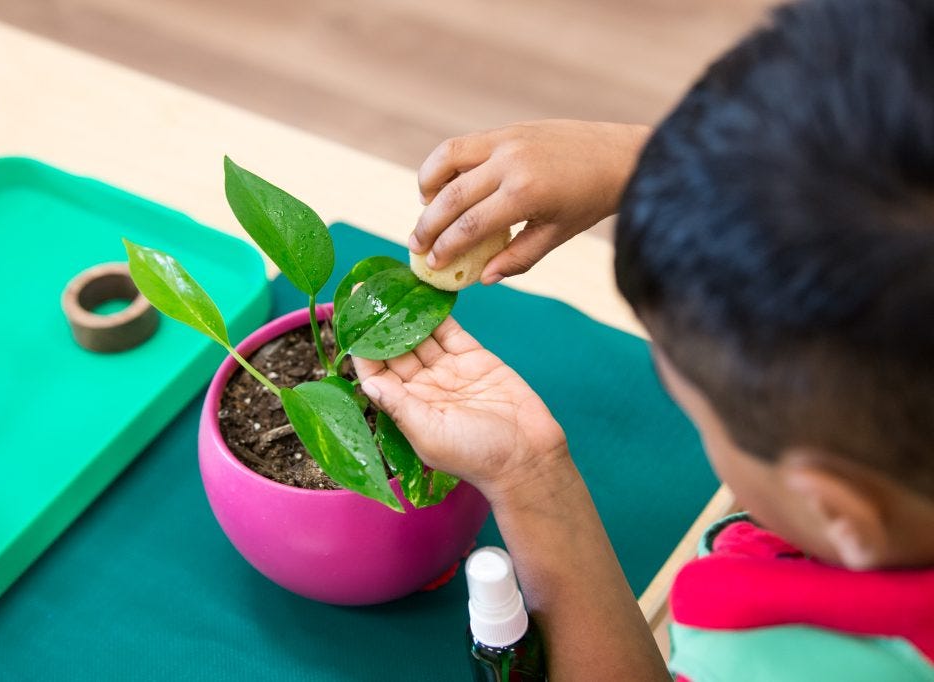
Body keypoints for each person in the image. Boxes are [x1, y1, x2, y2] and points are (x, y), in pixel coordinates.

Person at [351, 0, 934, 679]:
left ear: (839, 512)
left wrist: (531, 477)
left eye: (692, 405)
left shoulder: (780, 659)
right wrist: (667, 168)